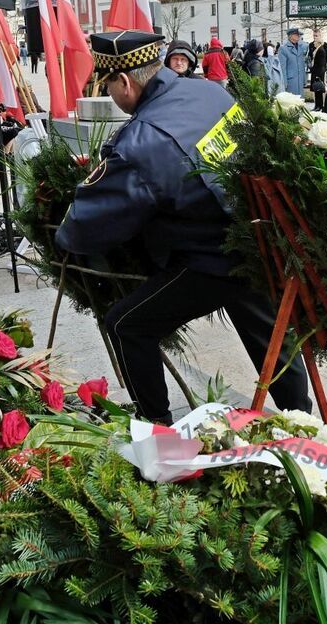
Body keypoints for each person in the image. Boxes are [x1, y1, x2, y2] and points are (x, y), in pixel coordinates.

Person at [54, 30, 311, 425]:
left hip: (211, 258)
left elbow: (87, 226)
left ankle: (155, 429)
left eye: (107, 86)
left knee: (126, 324)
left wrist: (66, 224)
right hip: (256, 236)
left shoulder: (142, 139)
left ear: (124, 81)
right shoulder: (209, 92)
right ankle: (303, 420)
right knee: (267, 330)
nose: (109, 95)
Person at [277, 28, 308, 98]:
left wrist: (304, 79)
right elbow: (282, 67)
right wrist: (284, 83)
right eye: (297, 35)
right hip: (290, 81)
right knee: (292, 103)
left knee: (300, 102)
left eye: (299, 35)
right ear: (291, 36)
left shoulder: (301, 47)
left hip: (299, 80)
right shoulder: (283, 49)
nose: (299, 36)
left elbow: (302, 65)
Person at [308, 31, 327, 110]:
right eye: (314, 35)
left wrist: (322, 65)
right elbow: (310, 56)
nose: (315, 37)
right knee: (315, 87)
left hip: (321, 69)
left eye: (316, 35)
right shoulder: (311, 45)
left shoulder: (324, 45)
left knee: (321, 87)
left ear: (320, 35)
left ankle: (321, 105)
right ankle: (317, 105)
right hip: (314, 69)